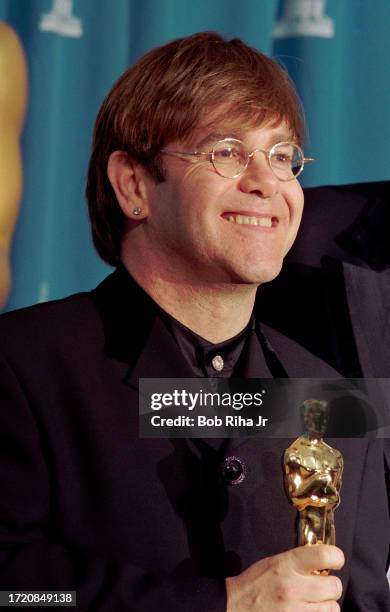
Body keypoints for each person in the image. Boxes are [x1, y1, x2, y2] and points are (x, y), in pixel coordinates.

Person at [0, 32, 388, 611]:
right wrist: (219, 603)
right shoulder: (24, 363)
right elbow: (19, 593)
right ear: (134, 184)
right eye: (227, 151)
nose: (266, 182)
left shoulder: (335, 399)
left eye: (283, 157)